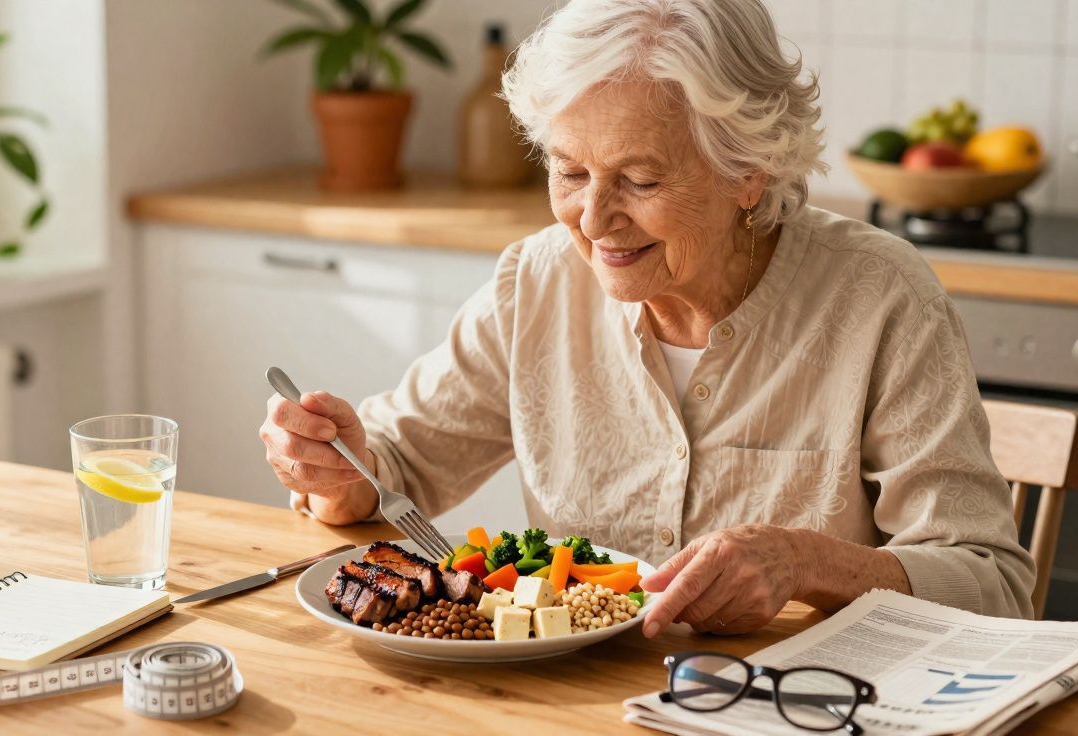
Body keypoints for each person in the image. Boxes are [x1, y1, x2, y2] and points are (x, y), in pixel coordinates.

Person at [260, 0, 1035, 635]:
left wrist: (806, 562)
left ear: (748, 171)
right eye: (569, 171)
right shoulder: (536, 282)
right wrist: (337, 469)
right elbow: (394, 467)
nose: (594, 219)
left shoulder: (881, 297)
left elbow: (992, 583)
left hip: (793, 710)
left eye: (638, 179)